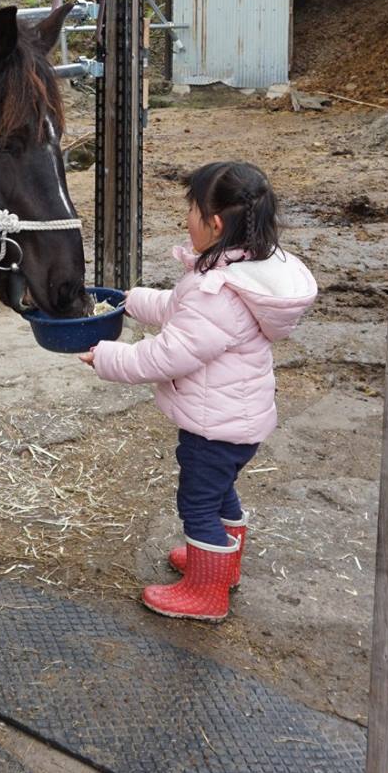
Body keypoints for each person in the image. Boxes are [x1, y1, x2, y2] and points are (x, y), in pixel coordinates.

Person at [82, 161, 317, 622]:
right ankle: (220, 563)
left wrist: (107, 356)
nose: (184, 218)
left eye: (190, 209)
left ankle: (206, 594)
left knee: (197, 503)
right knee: (219, 492)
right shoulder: (239, 270)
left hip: (215, 428)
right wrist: (129, 299)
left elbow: (167, 355)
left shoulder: (217, 295)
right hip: (237, 422)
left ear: (213, 224)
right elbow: (177, 307)